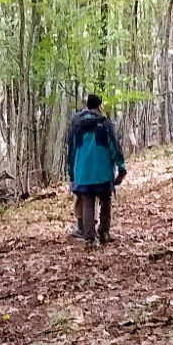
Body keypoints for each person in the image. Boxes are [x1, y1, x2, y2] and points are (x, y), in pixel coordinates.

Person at [63, 93, 126, 244]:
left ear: (87, 105)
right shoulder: (105, 124)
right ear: (99, 106)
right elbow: (114, 147)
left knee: (88, 202)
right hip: (103, 171)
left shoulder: (76, 124)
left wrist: (71, 173)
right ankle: (104, 233)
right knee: (105, 200)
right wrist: (121, 167)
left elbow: (71, 150)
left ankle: (89, 238)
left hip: (83, 172)